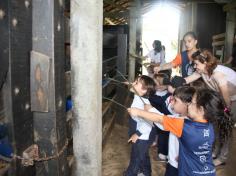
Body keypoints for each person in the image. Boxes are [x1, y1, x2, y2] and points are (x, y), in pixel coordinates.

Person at [128, 89, 233, 176]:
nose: (188, 105)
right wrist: (184, 155)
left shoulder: (185, 126)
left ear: (201, 110)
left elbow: (160, 119)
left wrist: (138, 112)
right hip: (208, 171)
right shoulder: (210, 126)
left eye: (191, 102)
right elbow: (201, 148)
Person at [181, 49, 236, 166]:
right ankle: (215, 152)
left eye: (196, 64)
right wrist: (175, 81)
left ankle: (222, 158)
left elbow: (226, 96)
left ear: (205, 63)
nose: (195, 67)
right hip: (222, 99)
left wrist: (226, 111)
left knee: (225, 128)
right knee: (215, 125)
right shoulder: (203, 72)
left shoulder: (217, 74)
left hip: (232, 100)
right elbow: (188, 79)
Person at [124, 75, 156, 176]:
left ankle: (130, 173)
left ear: (144, 90)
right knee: (143, 154)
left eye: (136, 83)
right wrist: (130, 85)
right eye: (135, 81)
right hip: (141, 133)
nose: (133, 83)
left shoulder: (144, 104)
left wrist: (137, 134)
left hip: (142, 135)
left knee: (136, 157)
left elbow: (148, 123)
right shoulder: (139, 96)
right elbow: (132, 88)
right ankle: (146, 172)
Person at [148, 73, 171, 161]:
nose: (153, 85)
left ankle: (163, 155)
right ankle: (156, 143)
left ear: (162, 86)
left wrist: (149, 97)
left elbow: (160, 101)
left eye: (155, 83)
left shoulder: (167, 95)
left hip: (164, 120)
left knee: (164, 135)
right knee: (157, 132)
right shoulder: (154, 92)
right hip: (156, 118)